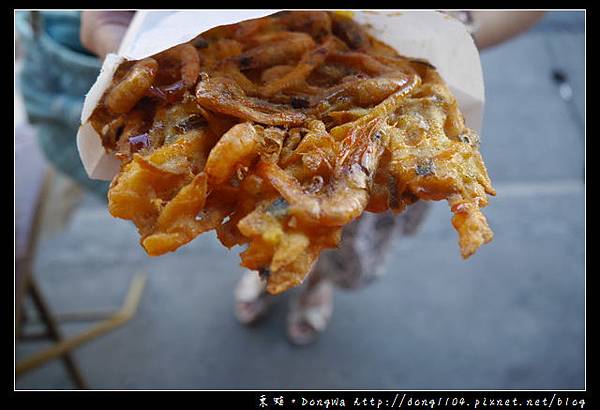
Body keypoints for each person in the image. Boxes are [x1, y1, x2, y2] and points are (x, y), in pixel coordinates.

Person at [18, 10, 544, 346]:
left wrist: (454, 21)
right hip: (232, 102)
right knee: (261, 230)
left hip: (394, 98)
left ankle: (316, 287)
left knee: (350, 236)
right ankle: (272, 276)